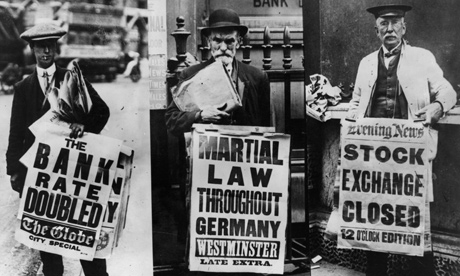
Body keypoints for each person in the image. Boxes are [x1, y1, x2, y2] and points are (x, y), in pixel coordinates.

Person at [347, 4, 457, 276]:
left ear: (404, 27)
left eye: (395, 22)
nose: (390, 29)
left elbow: (448, 91)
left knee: (417, 227)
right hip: (373, 159)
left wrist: (437, 107)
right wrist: (348, 135)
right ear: (376, 30)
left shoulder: (422, 58)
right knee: (374, 227)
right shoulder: (365, 64)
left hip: (411, 157)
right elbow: (355, 104)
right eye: (384, 23)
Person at [6, 23, 110, 276]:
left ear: (56, 48)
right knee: (48, 244)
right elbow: (16, 133)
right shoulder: (23, 87)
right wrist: (14, 172)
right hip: (40, 175)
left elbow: (101, 111)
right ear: (31, 49)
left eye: (50, 46)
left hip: (73, 171)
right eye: (40, 47)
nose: (46, 52)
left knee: (85, 236)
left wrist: (83, 125)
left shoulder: (72, 77)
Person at [165, 8, 271, 134]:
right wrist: (200, 115)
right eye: (217, 40)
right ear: (209, 42)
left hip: (244, 151)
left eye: (229, 41)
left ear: (238, 42)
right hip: (206, 150)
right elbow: (172, 121)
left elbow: (266, 128)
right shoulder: (190, 74)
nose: (223, 47)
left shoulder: (257, 77)